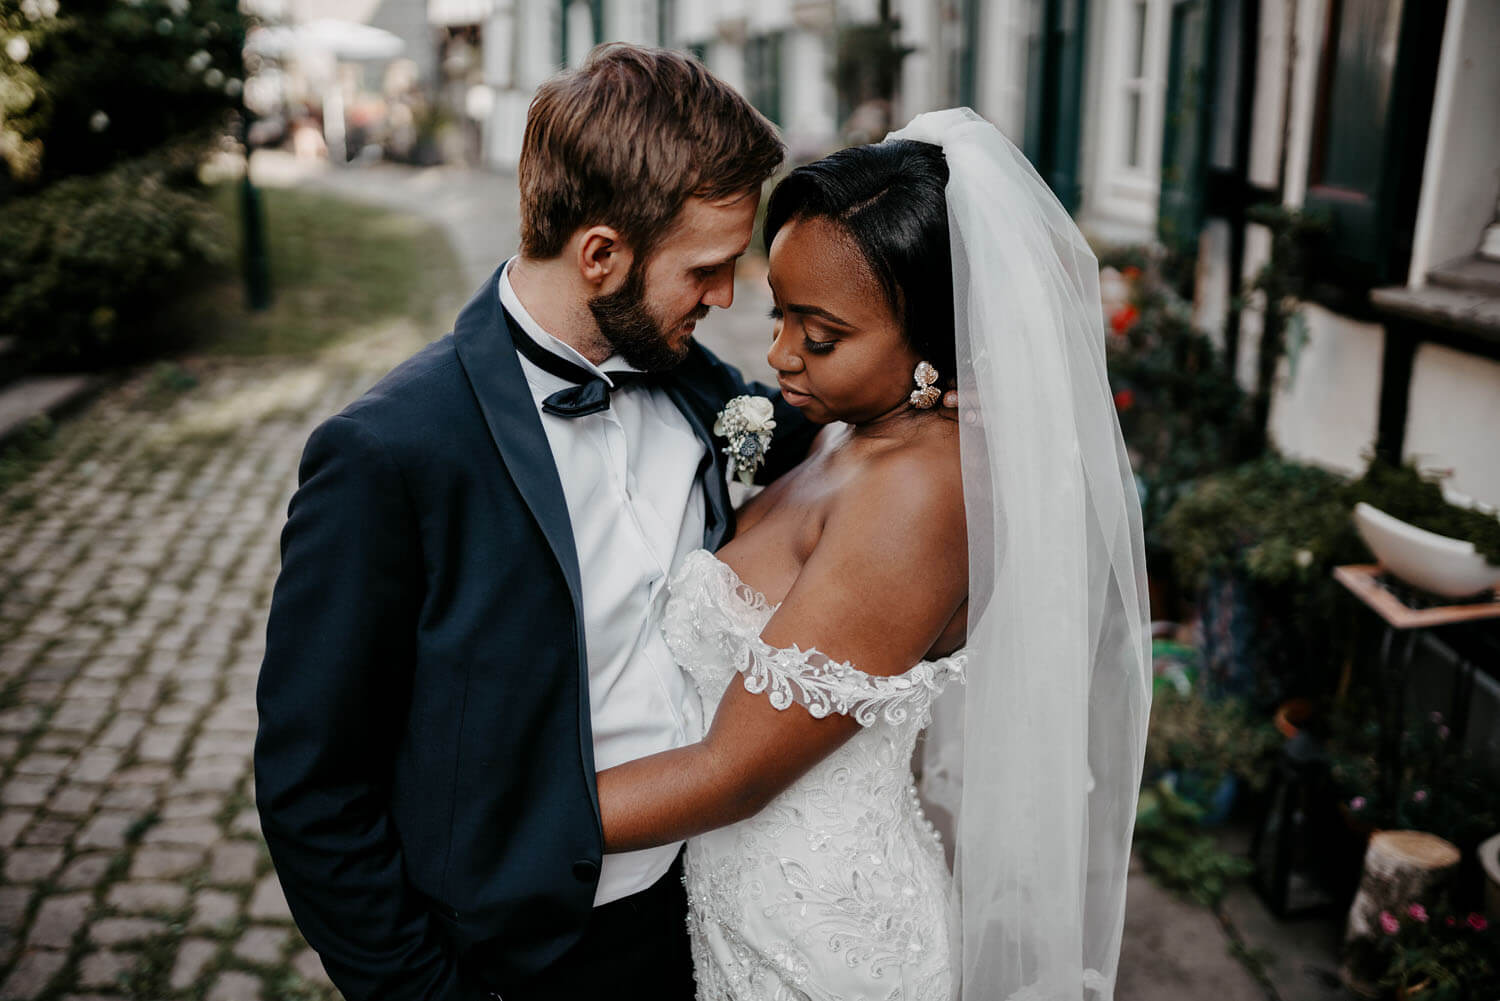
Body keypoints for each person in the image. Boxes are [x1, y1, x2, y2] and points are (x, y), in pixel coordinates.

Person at [254, 45, 816, 1001]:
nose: (727, 298)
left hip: (706, 909)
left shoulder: (692, 380)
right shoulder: (388, 455)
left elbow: (812, 428)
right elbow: (314, 792)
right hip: (528, 955)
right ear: (600, 254)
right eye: (709, 269)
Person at [594, 110, 1153, 1000]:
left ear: (933, 344)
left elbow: (734, 770)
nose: (778, 355)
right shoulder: (845, 431)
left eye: (819, 336)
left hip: (817, 943)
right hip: (743, 907)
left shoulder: (918, 495)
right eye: (781, 315)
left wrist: (509, 823)